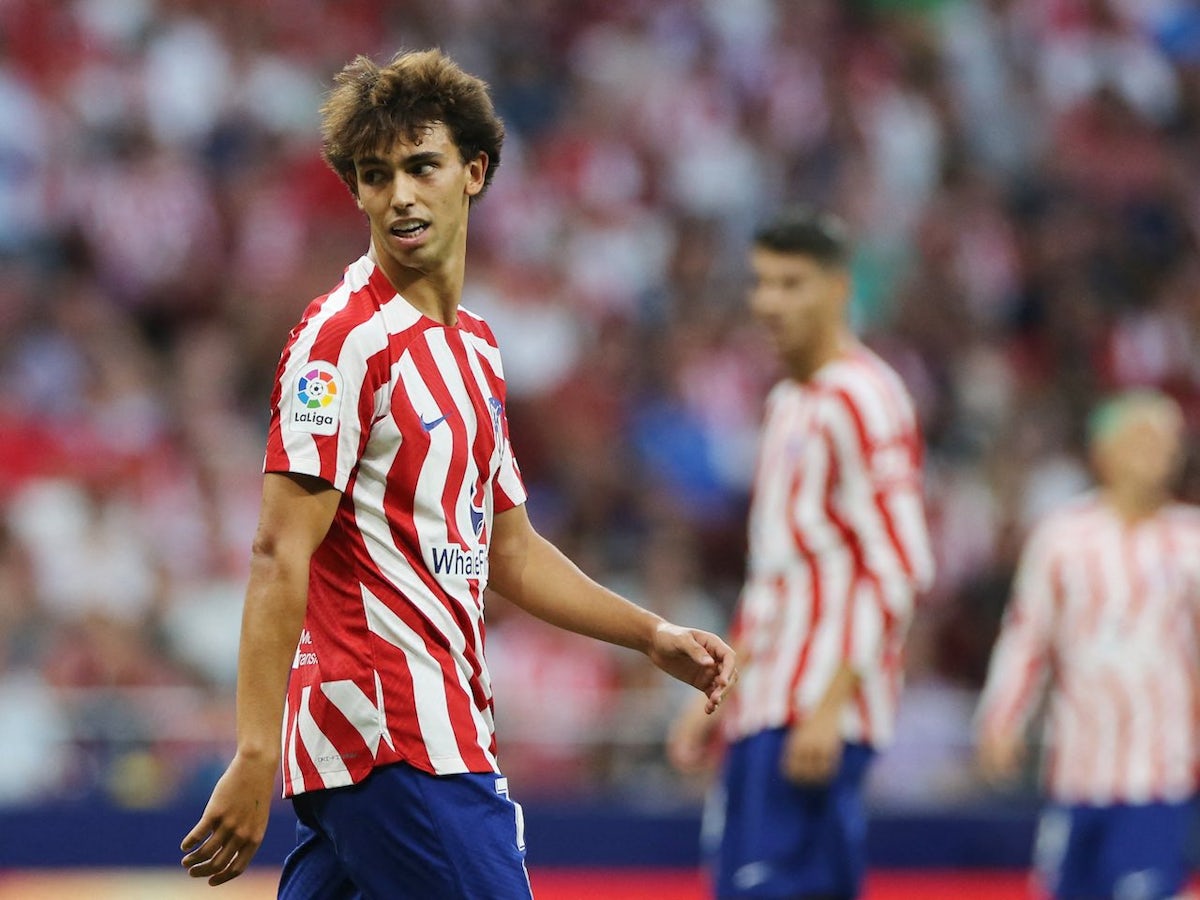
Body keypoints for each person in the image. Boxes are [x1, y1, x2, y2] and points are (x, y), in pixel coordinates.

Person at [178, 48, 736, 898]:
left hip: (417, 735)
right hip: (394, 736)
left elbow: (509, 551)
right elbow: (277, 551)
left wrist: (650, 633)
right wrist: (253, 750)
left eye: (420, 166)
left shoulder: (475, 349)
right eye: (374, 175)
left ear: (473, 172)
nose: (398, 194)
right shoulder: (340, 342)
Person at [668, 208, 934, 900]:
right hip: (767, 700)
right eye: (761, 283)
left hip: (816, 707)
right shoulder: (788, 402)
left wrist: (831, 704)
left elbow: (901, 562)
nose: (770, 302)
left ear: (839, 289)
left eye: (792, 283)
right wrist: (720, 694)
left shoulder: (866, 397)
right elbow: (776, 580)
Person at [975, 390, 1200, 900]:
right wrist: (1001, 720)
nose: (1157, 452)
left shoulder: (1190, 542)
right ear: (1104, 451)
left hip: (1160, 771)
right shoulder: (1063, 538)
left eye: (1168, 442)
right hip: (1077, 767)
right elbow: (1027, 636)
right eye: (1141, 438)